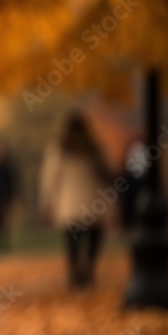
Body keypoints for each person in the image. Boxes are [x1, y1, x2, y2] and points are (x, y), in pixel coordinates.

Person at [39, 110, 114, 289]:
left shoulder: (60, 148)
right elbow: (107, 174)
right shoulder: (94, 148)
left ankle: (74, 274)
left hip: (70, 203)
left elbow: (50, 177)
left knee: (73, 241)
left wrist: (47, 203)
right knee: (94, 238)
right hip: (93, 202)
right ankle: (89, 270)